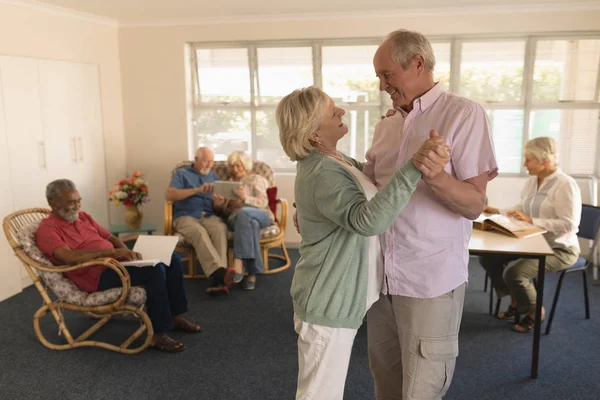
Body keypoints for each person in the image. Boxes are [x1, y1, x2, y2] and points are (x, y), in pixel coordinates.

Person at [276, 85, 451, 400]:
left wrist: (392, 130)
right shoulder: (322, 173)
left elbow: (373, 184)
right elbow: (368, 220)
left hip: (334, 298)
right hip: (326, 302)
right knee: (319, 395)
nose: (341, 111)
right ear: (314, 134)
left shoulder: (335, 160)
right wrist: (414, 166)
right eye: (332, 112)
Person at [364, 29, 498, 399]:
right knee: (386, 385)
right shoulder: (387, 123)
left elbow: (474, 204)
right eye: (378, 76)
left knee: (421, 391)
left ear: (418, 63)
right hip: (381, 280)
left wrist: (436, 176)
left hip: (429, 282)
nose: (381, 86)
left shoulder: (463, 114)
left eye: (387, 75)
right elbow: (371, 187)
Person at [36, 179, 201, 353]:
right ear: (53, 203)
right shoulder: (48, 229)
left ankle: (175, 316)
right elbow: (69, 257)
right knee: (154, 271)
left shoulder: (83, 217)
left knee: (171, 258)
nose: (77, 206)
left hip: (116, 263)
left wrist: (127, 254)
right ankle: (157, 333)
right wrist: (111, 254)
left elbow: (111, 238)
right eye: (71, 202)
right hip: (95, 275)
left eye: (78, 201)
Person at [480, 137, 581, 332]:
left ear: (544, 161)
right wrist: (498, 211)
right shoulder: (532, 181)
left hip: (560, 248)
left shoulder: (565, 184)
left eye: (528, 160)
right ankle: (516, 301)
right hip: (532, 242)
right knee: (488, 259)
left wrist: (532, 221)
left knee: (515, 273)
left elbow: (570, 225)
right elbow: (523, 208)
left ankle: (535, 312)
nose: (524, 164)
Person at [165, 146, 236, 295]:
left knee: (219, 228)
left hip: (208, 215)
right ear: (196, 160)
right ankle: (220, 273)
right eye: (206, 161)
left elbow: (218, 204)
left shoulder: (213, 176)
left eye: (211, 161)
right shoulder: (182, 174)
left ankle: (218, 280)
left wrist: (218, 202)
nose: (209, 164)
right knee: (199, 232)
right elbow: (170, 195)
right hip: (186, 216)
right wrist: (197, 190)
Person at [213, 151, 274, 291]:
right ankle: (252, 273)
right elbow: (225, 212)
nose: (235, 169)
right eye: (232, 166)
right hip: (238, 220)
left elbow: (263, 202)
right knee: (247, 221)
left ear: (245, 166)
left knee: (243, 213)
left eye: (238, 166)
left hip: (261, 215)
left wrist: (245, 197)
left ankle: (238, 263)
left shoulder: (255, 179)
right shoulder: (228, 183)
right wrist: (219, 205)